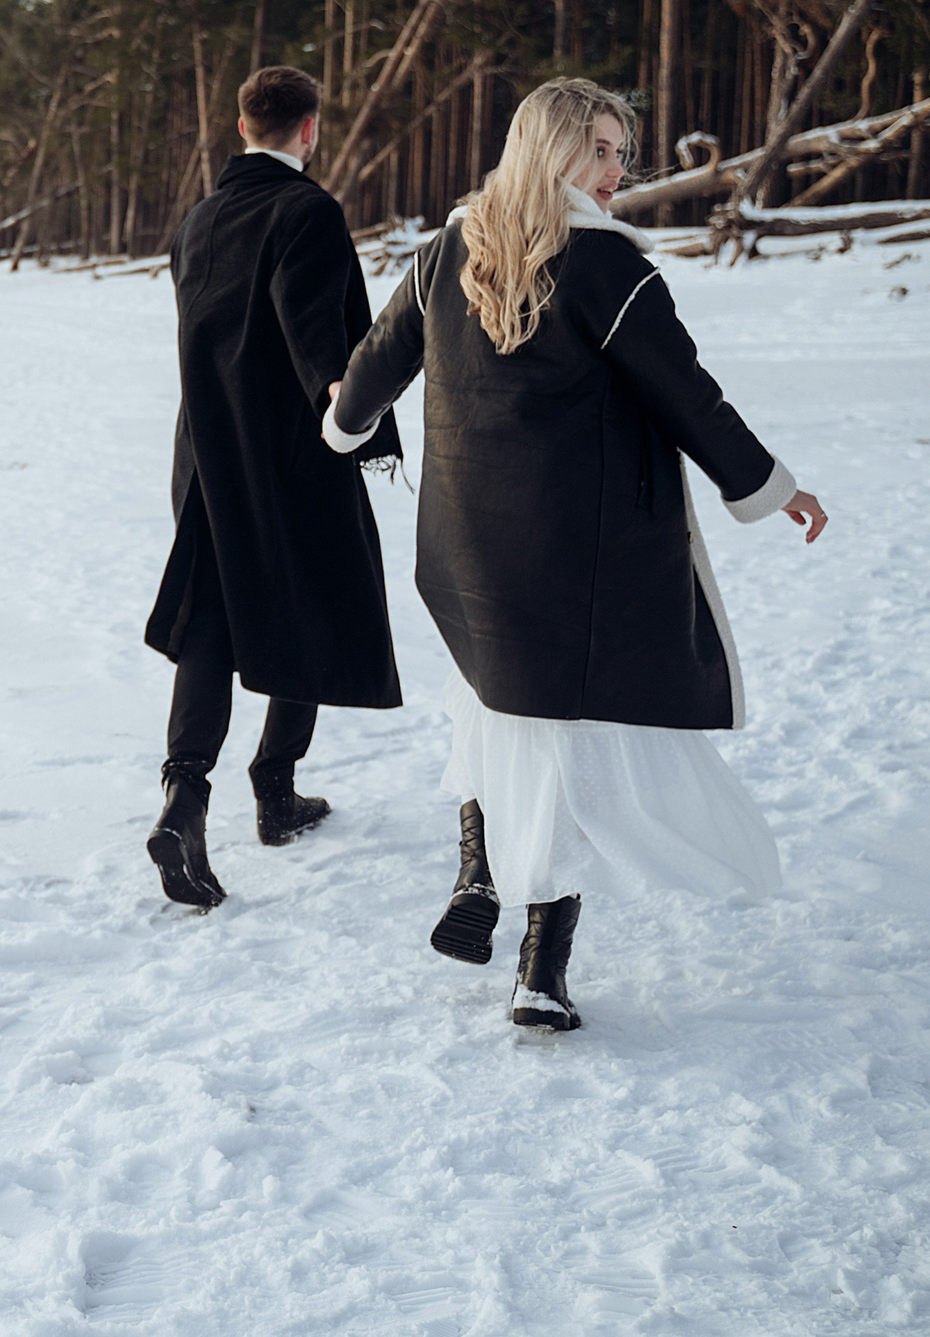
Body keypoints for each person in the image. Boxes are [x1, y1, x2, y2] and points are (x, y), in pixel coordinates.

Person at [326, 76, 826, 1031]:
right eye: (599, 148)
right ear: (550, 150)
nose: (616, 168)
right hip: (580, 551)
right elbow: (687, 395)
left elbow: (371, 370)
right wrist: (769, 484)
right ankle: (538, 970)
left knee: (487, 704)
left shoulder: (445, 253)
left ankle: (477, 870)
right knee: (565, 749)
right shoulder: (604, 266)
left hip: (468, 544)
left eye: (621, 150)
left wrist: (342, 432)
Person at [143, 65, 403, 909]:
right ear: (310, 129)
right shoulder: (308, 211)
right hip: (289, 448)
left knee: (212, 619)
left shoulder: (199, 218)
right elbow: (310, 324)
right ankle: (276, 787)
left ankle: (186, 793)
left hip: (206, 453)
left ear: (242, 125)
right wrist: (347, 404)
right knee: (311, 596)